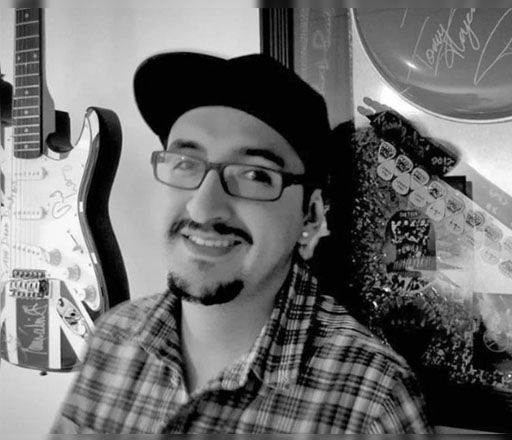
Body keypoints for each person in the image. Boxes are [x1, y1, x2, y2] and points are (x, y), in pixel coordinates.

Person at [49, 52, 431, 434]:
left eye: (254, 175)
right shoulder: (111, 338)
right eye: (185, 163)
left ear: (311, 214)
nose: (202, 208)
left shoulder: (374, 397)